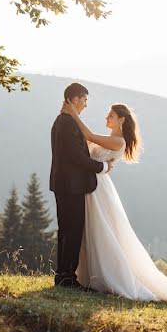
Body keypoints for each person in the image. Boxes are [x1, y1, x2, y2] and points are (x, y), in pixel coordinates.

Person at [60, 99, 167, 305]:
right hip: (91, 183)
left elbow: (88, 136)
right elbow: (86, 144)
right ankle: (86, 275)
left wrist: (73, 114)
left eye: (111, 116)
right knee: (91, 229)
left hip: (98, 187)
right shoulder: (109, 138)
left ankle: (110, 275)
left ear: (121, 120)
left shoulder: (119, 141)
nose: (106, 118)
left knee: (103, 229)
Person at [49, 82, 113, 288]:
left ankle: (64, 275)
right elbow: (76, 156)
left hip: (65, 184)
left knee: (67, 231)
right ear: (74, 99)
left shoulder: (63, 121)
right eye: (85, 100)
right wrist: (102, 167)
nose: (85, 105)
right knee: (72, 231)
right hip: (70, 186)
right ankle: (67, 277)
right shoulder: (67, 123)